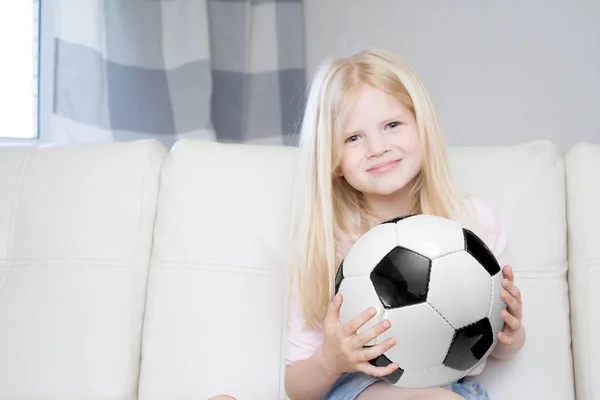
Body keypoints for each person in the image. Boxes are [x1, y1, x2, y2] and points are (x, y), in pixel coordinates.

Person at [283, 48, 526, 400]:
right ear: (332, 158)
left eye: (392, 125)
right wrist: (329, 360)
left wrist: (510, 331)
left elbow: (502, 348)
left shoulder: (471, 223)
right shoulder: (325, 243)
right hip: (356, 390)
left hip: (453, 391)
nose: (377, 147)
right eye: (353, 137)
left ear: (422, 127)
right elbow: (296, 388)